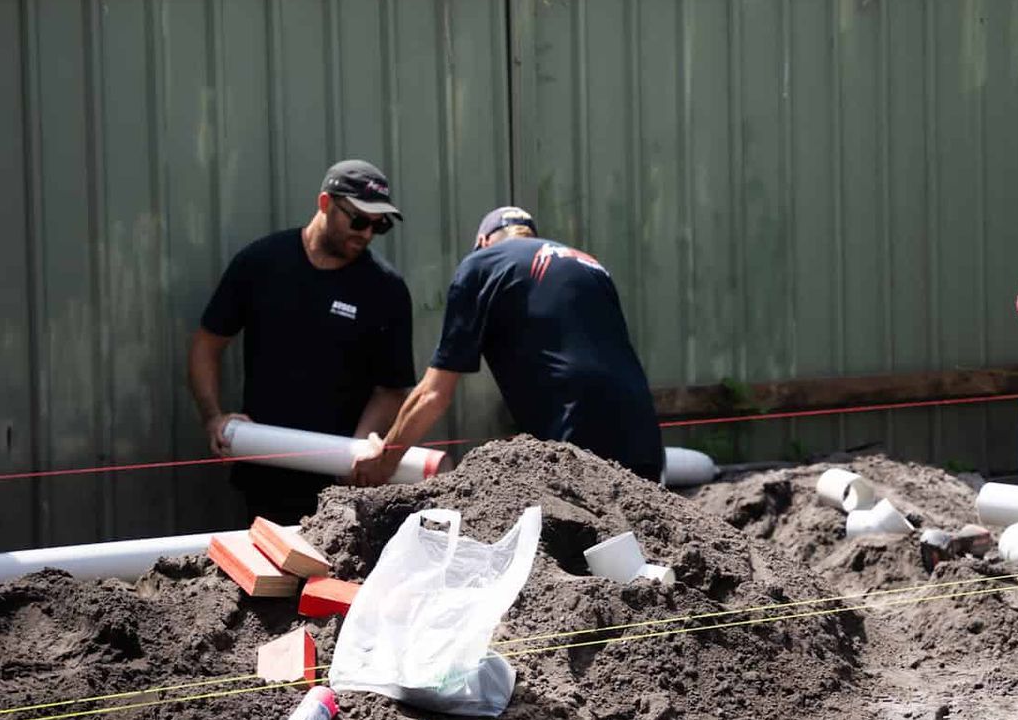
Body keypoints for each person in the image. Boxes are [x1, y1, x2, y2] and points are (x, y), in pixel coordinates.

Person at [350, 206, 666, 484]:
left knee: (570, 546)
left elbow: (434, 394)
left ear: (484, 242)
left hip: (574, 439)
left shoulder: (483, 263)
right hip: (645, 437)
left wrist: (386, 459)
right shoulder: (591, 265)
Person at [189, 159, 415, 524]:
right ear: (325, 203)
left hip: (340, 483)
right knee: (269, 577)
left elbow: (391, 388)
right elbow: (207, 345)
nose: (367, 234)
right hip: (264, 470)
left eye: (379, 225)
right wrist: (213, 417)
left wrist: (357, 453)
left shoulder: (384, 288)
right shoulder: (262, 264)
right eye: (358, 220)